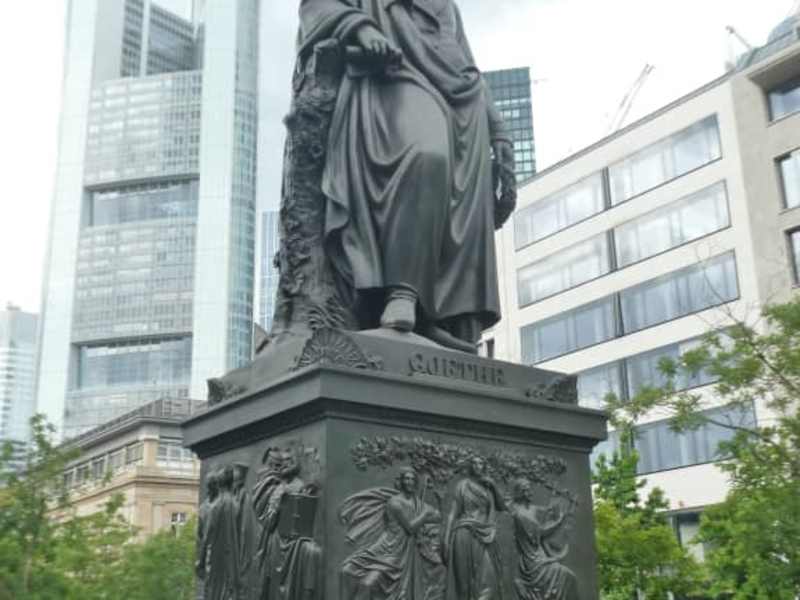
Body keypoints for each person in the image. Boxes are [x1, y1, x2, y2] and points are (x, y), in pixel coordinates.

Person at [296, 0, 515, 352]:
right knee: (428, 154)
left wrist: (498, 128)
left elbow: (464, 61)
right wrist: (359, 26)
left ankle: (441, 318)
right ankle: (403, 292)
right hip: (393, 79)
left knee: (464, 201)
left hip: (463, 101)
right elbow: (316, 4)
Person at [339, 468, 445, 600]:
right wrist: (425, 515)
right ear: (401, 481)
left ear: (416, 483)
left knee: (367, 584)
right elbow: (410, 528)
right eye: (406, 479)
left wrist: (437, 503)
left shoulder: (418, 504)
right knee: (347, 571)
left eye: (412, 479)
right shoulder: (395, 503)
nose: (409, 482)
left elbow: (438, 517)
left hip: (401, 553)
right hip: (387, 548)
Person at [253, 449, 321, 600]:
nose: (284, 465)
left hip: (295, 543)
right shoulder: (278, 489)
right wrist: (277, 503)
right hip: (277, 541)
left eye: (289, 461)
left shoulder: (302, 486)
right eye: (282, 462)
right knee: (273, 586)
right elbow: (268, 523)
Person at [443, 456, 505, 600]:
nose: (478, 466)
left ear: (484, 466)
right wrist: (446, 539)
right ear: (470, 467)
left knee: (490, 579)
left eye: (481, 463)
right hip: (464, 532)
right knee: (463, 581)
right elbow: (453, 513)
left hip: (486, 536)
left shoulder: (488, 488)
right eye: (475, 463)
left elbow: (502, 507)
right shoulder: (462, 485)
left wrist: (494, 486)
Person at [508, 479, 578, 600]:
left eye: (530, 490)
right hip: (533, 561)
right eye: (527, 490)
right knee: (568, 576)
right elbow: (540, 533)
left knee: (569, 577)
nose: (531, 493)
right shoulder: (520, 515)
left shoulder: (532, 509)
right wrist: (559, 521)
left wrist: (557, 498)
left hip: (541, 556)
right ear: (521, 493)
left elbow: (548, 510)